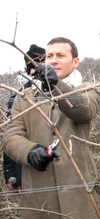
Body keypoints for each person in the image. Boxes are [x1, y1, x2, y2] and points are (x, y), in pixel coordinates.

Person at [3, 37, 100, 219]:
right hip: (38, 201)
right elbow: (11, 135)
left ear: (75, 61)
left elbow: (83, 110)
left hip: (79, 200)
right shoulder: (26, 97)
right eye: (49, 56)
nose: (53, 60)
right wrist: (30, 151)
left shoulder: (86, 89)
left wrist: (56, 86)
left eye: (60, 56)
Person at [3, 44, 45, 192]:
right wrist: (10, 173)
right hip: (27, 165)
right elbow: (12, 136)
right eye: (35, 66)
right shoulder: (18, 97)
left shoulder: (61, 92)